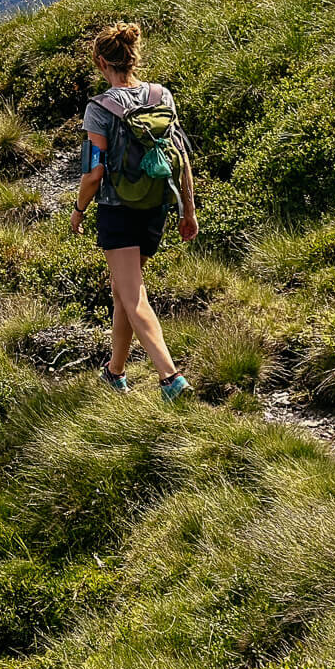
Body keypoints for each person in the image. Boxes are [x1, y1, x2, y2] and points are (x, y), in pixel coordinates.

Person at [69, 20, 198, 400]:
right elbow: (181, 158)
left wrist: (78, 209)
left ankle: (170, 377)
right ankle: (115, 372)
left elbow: (94, 173)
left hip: (118, 208)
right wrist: (186, 210)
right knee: (122, 290)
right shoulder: (162, 97)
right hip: (155, 205)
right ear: (133, 57)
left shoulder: (99, 109)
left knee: (133, 295)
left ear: (100, 61)